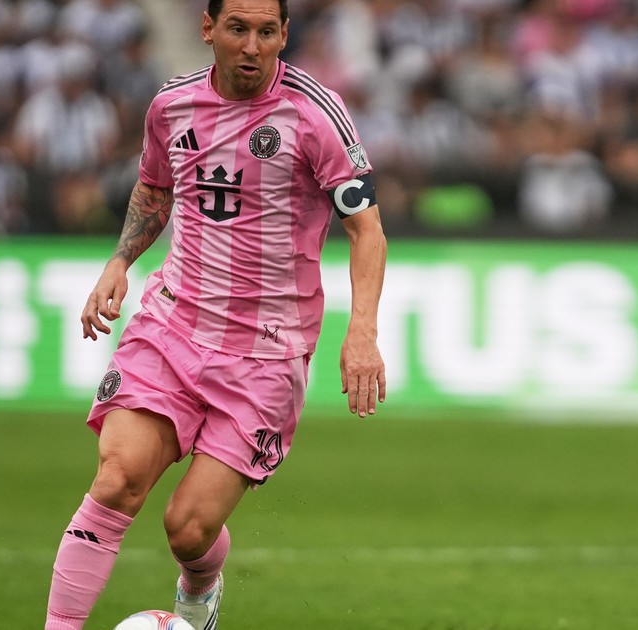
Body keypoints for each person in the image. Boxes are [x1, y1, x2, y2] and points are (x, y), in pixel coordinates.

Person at [43, 1, 387, 628]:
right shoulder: (171, 106)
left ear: (284, 34)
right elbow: (155, 188)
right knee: (117, 480)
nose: (252, 46)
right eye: (237, 29)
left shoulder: (314, 113)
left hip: (266, 353)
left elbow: (367, 230)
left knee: (187, 528)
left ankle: (200, 586)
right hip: (172, 325)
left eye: (266, 32)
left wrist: (361, 330)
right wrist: (120, 261)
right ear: (208, 29)